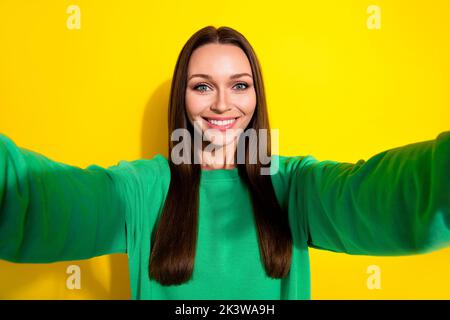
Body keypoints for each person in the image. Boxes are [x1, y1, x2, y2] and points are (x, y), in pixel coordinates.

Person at [0, 25, 449, 300]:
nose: (221, 105)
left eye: (239, 85)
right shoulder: (142, 189)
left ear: (257, 95)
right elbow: (35, 200)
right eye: (202, 86)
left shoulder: (294, 185)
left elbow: (387, 197)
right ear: (182, 96)